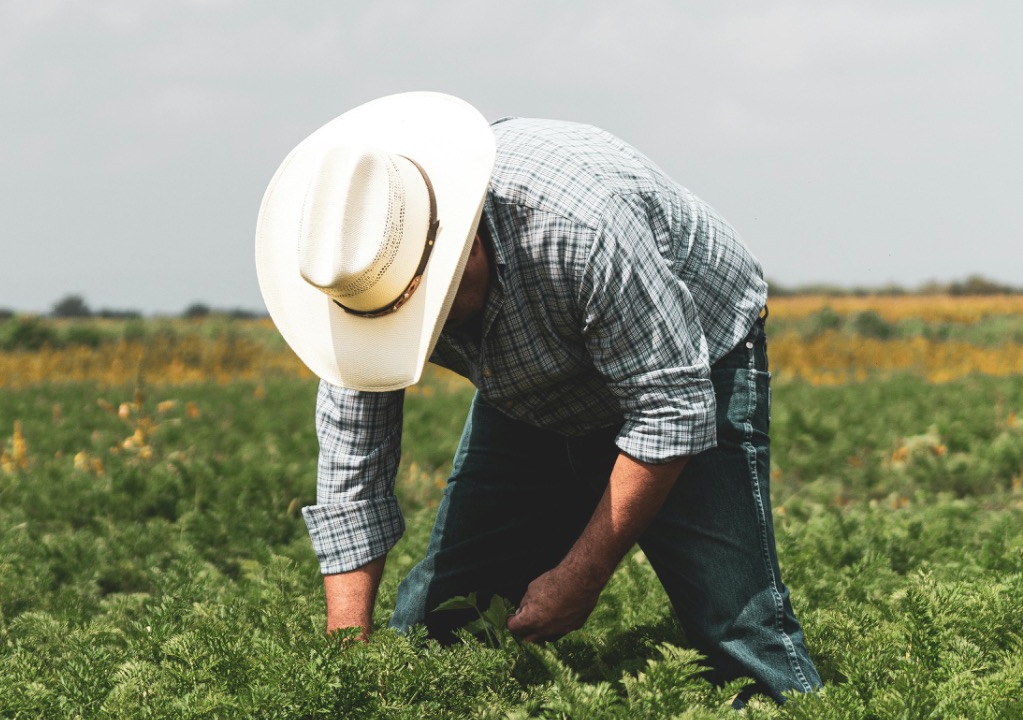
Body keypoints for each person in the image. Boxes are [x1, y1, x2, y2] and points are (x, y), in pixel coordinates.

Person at [255, 91, 822, 703]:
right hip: (529, 386)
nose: (427, 326)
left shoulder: (580, 230)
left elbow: (669, 410)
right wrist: (349, 667)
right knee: (440, 624)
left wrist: (582, 576)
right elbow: (351, 479)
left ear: (462, 244)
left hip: (694, 355)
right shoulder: (354, 271)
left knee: (734, 627)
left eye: (429, 306)